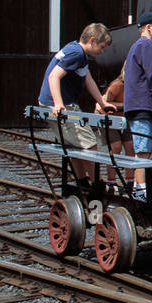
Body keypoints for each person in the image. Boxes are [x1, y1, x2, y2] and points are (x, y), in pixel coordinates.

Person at [36, 22, 112, 186]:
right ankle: (96, 184)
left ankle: (82, 181)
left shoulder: (77, 51)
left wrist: (102, 102)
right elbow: (53, 76)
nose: (102, 51)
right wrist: (58, 103)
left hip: (61, 102)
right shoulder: (77, 53)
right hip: (60, 104)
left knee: (74, 144)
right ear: (92, 40)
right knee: (90, 144)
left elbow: (88, 79)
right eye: (102, 46)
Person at [122, 12, 152, 204]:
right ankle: (141, 193)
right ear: (148, 27)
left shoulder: (138, 47)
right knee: (143, 151)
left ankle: (144, 191)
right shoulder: (146, 45)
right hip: (143, 106)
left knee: (147, 151)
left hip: (142, 106)